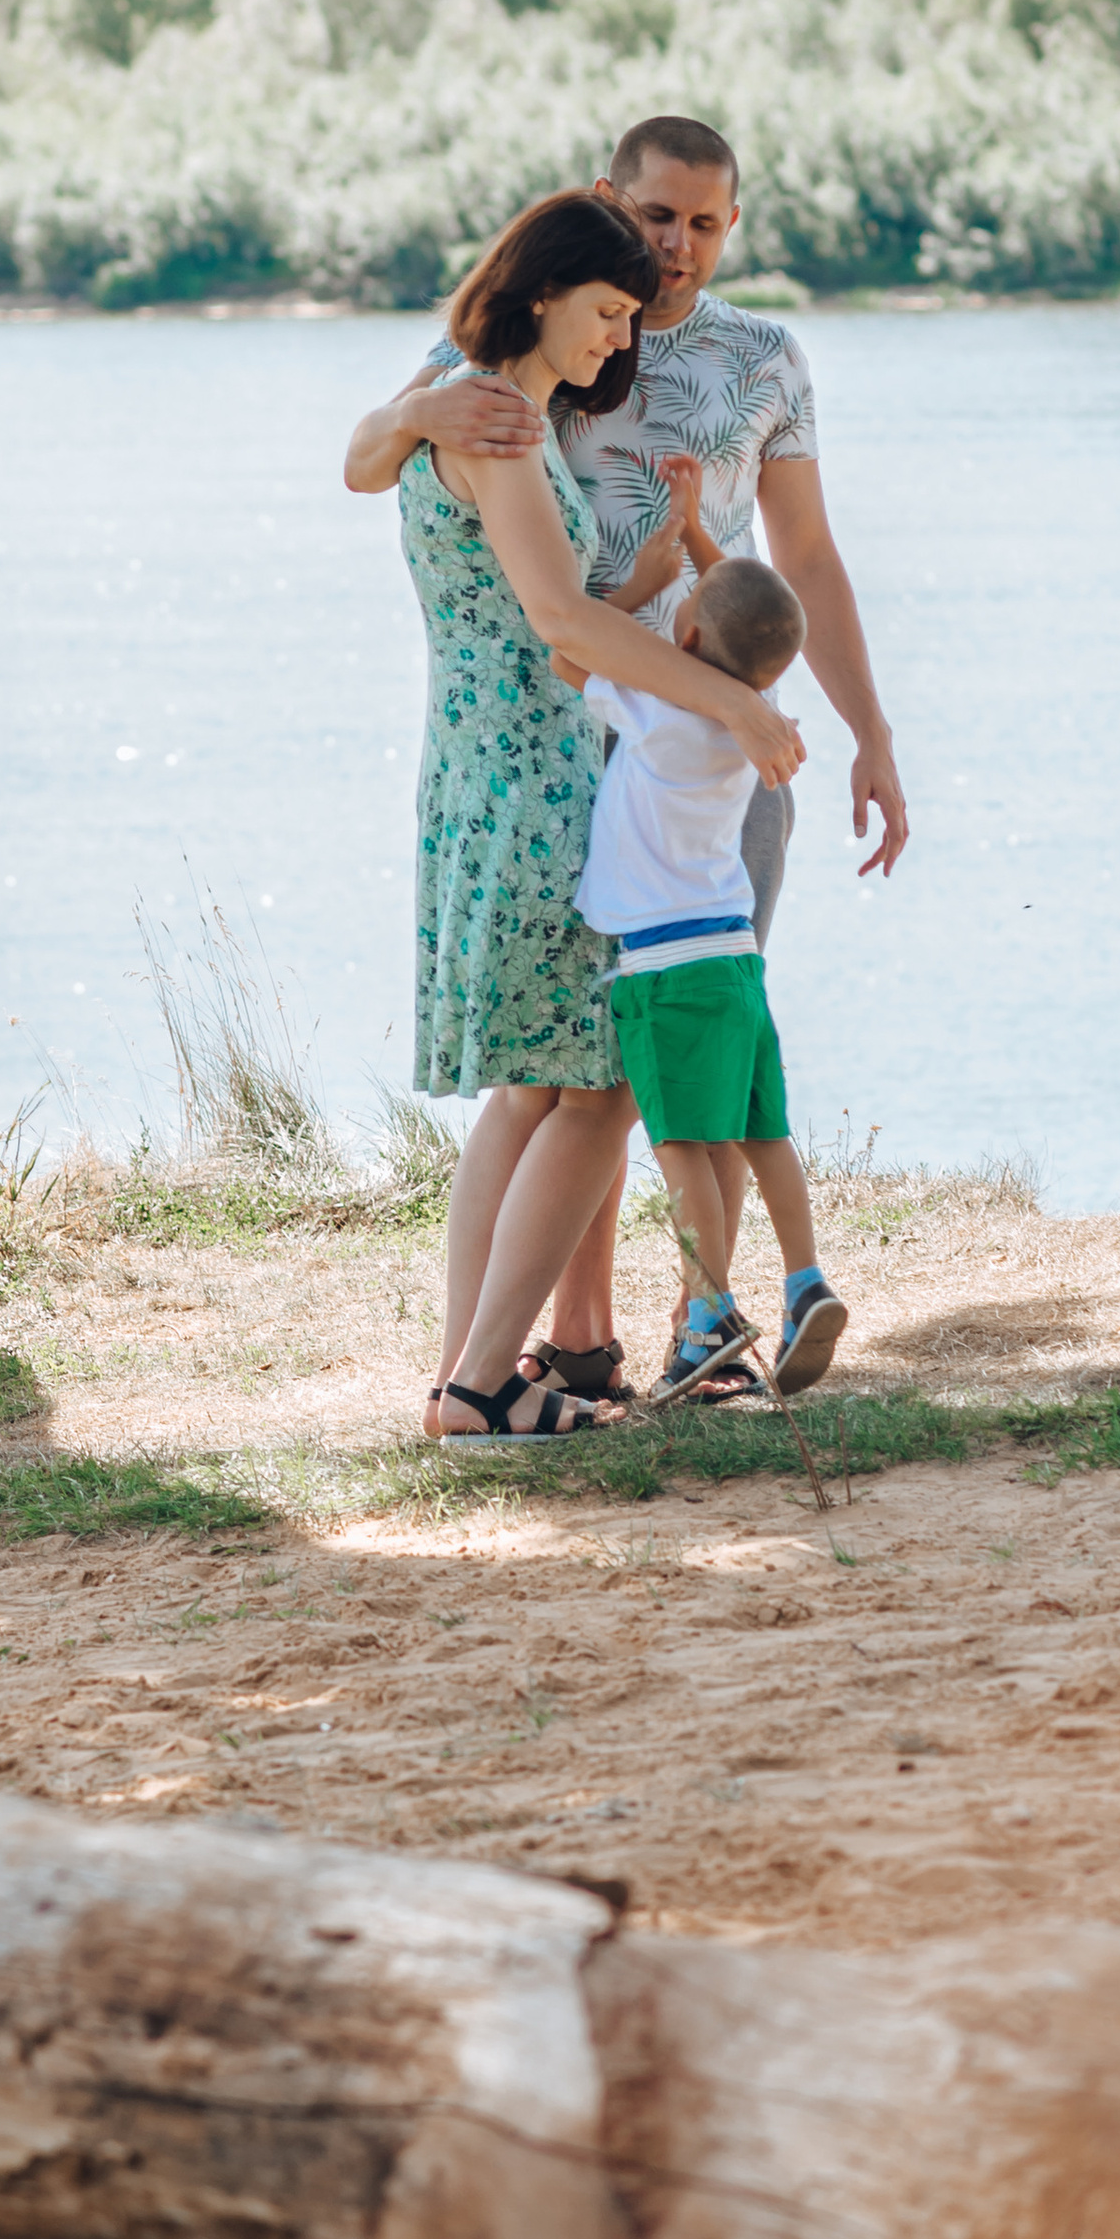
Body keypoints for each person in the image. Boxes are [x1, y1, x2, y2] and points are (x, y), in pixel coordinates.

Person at [344, 112, 905, 1385]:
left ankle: (676, 1330)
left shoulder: (748, 362)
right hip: (576, 751)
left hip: (698, 759)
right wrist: (420, 408)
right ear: (608, 208)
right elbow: (436, 505)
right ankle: (556, 1351)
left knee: (676, 1052)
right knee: (586, 1067)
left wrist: (862, 728)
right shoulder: (517, 382)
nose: (674, 254)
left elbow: (801, 555)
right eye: (655, 223)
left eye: (705, 226)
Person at [393, 186, 804, 1442]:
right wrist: (731, 710)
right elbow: (562, 629)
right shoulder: (502, 425)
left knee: (531, 1088)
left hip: (498, 764)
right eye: (611, 311)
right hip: (531, 776)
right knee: (599, 1085)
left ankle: (476, 1373)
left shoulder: (464, 396)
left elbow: (573, 599)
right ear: (540, 288)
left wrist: (664, 572)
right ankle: (476, 1386)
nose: (622, 340)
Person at [568, 551, 849, 1401]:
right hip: (736, 955)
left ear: (685, 633)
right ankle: (805, 1283)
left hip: (664, 965)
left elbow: (567, 651)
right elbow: (743, 615)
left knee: (684, 1147)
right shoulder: (757, 717)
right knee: (764, 1134)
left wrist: (649, 579)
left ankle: (710, 1313)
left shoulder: (655, 708)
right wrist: (697, 540)